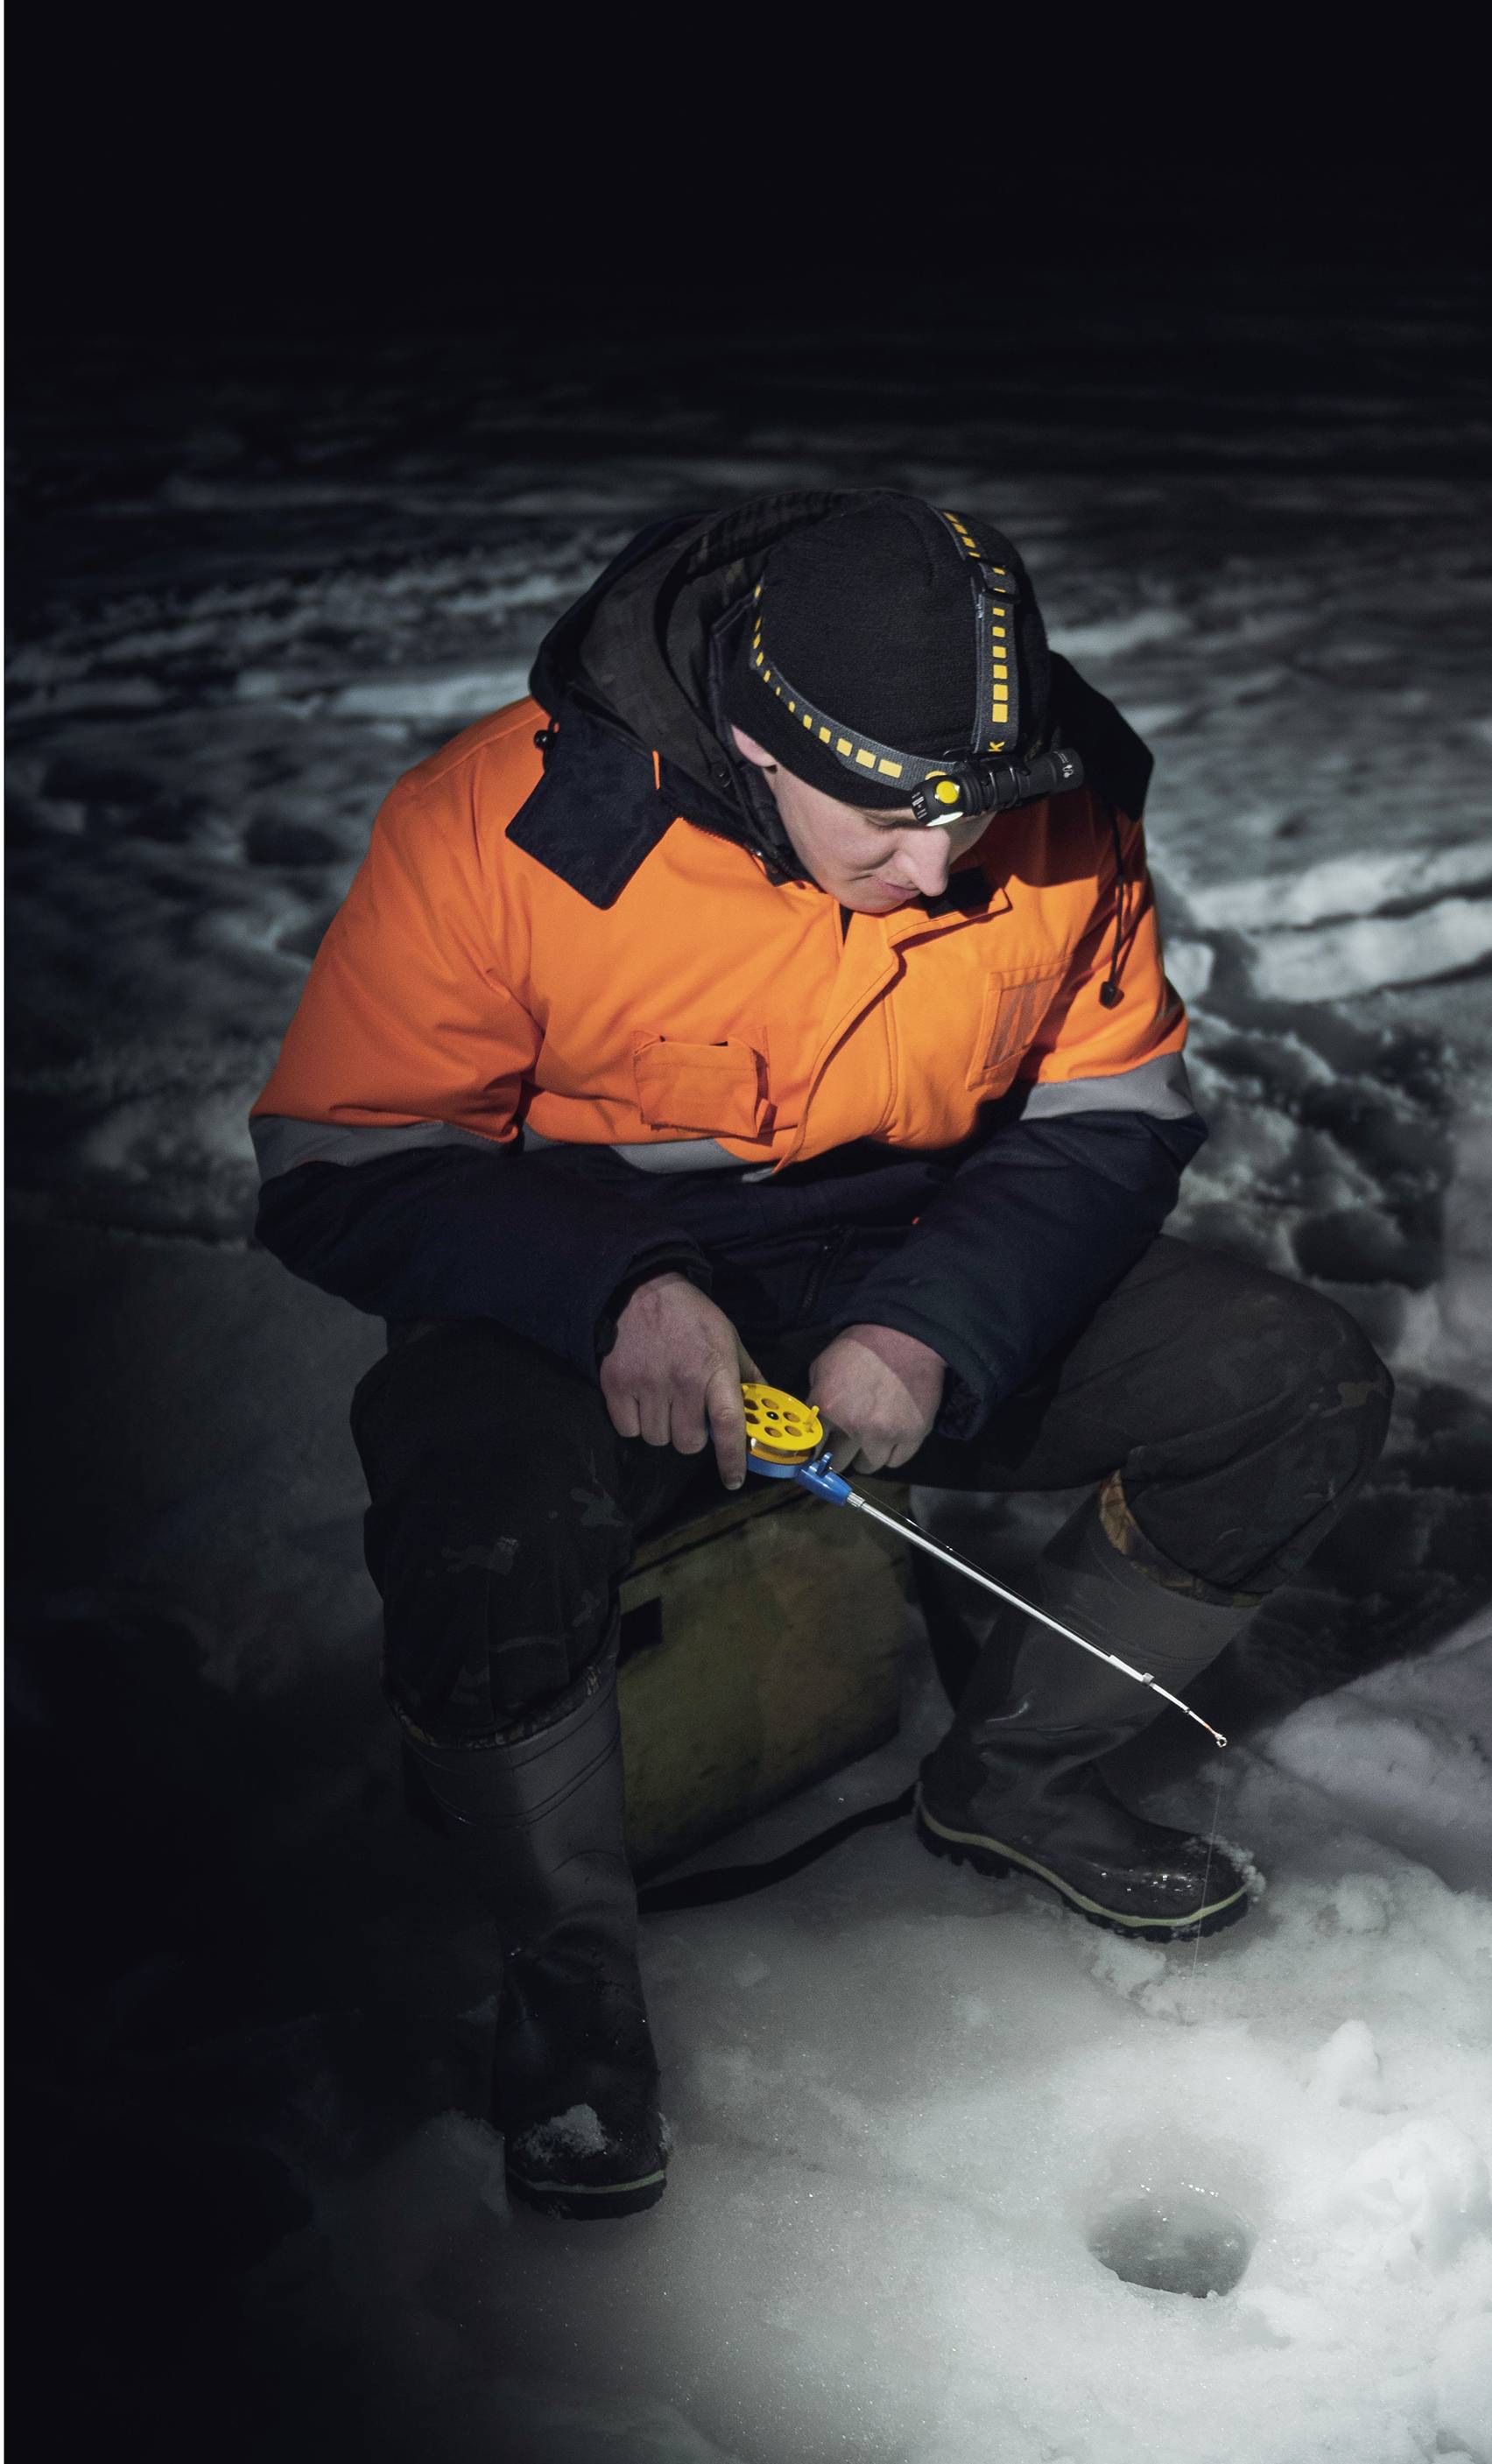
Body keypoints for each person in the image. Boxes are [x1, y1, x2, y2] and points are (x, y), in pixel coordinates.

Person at [251, 492, 1392, 2220]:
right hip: (572, 1291)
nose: (941, 869)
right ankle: (566, 1984)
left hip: (913, 1258)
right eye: (888, 818)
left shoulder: (1059, 793)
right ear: (749, 742)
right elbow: (342, 1158)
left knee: (1292, 1380)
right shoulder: (508, 822)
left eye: (971, 814)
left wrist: (934, 1321)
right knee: (481, 1510)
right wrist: (612, 1291)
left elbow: (1112, 1111)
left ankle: (1017, 1779)